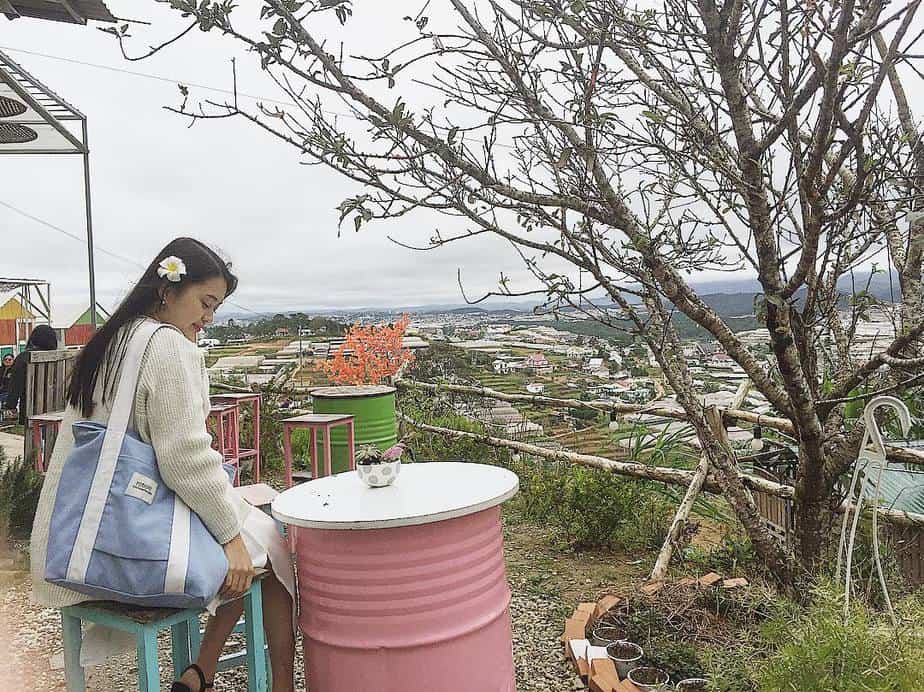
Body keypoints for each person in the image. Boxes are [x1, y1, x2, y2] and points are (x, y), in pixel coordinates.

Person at [30, 238, 296, 692]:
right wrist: (230, 536)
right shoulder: (167, 347)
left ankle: (201, 674)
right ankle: (277, 683)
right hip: (134, 545)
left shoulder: (112, 340)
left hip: (81, 540)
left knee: (246, 538)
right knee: (268, 547)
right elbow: (185, 459)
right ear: (168, 290)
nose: (209, 317)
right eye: (205, 302)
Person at [4, 325, 58, 425]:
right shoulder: (60, 358)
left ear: (33, 339)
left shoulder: (24, 358)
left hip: (30, 411)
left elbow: (15, 386)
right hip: (57, 410)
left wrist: (10, 407)